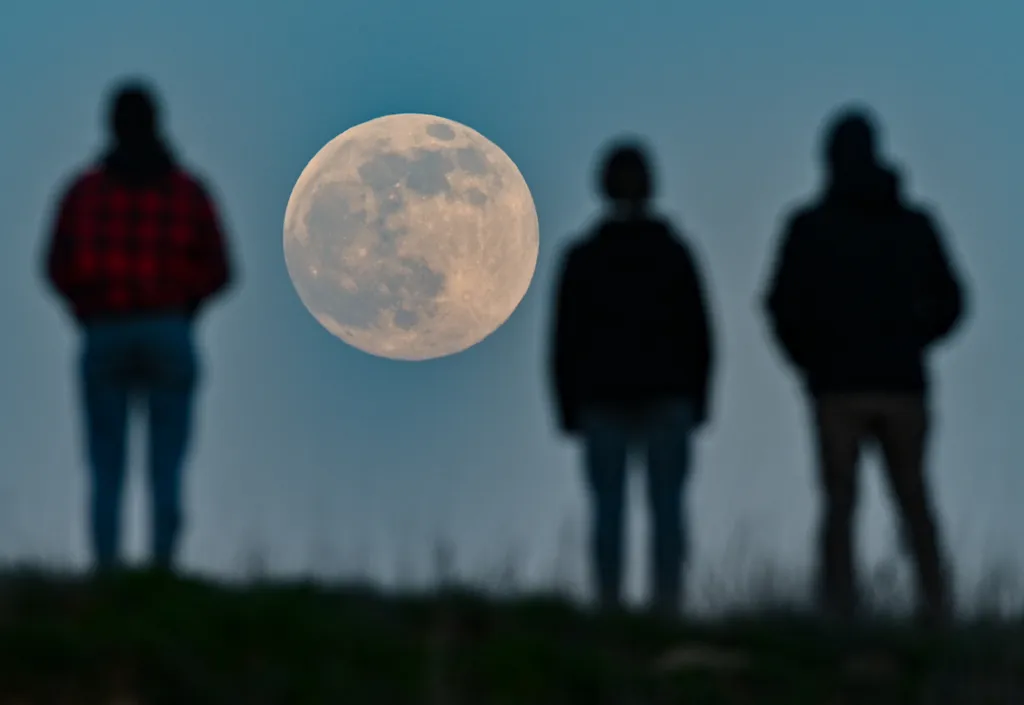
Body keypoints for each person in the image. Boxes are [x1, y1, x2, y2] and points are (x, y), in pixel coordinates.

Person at [761, 105, 967, 623]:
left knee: (845, 505)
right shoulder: (911, 224)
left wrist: (810, 360)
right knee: (911, 501)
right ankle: (932, 606)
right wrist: (913, 338)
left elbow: (781, 306)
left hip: (843, 387)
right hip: (895, 385)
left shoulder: (810, 227)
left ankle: (842, 609)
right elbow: (952, 301)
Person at [43, 80, 235, 572]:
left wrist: (84, 307)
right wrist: (183, 304)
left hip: (105, 330)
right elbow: (220, 268)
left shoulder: (84, 192)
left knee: (106, 463)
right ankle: (161, 568)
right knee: (166, 463)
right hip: (167, 329)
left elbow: (55, 263)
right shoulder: (188, 192)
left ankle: (107, 569)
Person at [549, 139, 715, 616]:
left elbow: (564, 339)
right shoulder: (673, 252)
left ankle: (613, 607)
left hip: (610, 399)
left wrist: (567, 405)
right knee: (663, 510)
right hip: (659, 397)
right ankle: (664, 607)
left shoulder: (584, 257)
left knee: (614, 512)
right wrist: (699, 398)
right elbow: (700, 331)